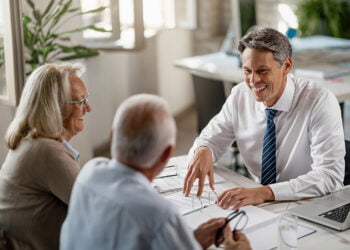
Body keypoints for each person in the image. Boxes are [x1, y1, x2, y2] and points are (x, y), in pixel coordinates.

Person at [60, 94, 251, 250]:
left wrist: (191, 242)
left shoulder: (89, 173)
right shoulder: (158, 214)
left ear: (112, 137)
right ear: (167, 154)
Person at [183, 27, 345, 210]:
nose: (253, 80)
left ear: (286, 66)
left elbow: (330, 177)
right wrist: (204, 149)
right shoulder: (240, 96)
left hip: (310, 204)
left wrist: (264, 193)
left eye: (262, 71)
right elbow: (210, 138)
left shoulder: (318, 101)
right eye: (247, 71)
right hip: (261, 205)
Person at [0, 63, 92, 250]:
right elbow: (95, 208)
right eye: (80, 101)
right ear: (55, 107)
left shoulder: (32, 142)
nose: (88, 108)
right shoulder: (47, 152)